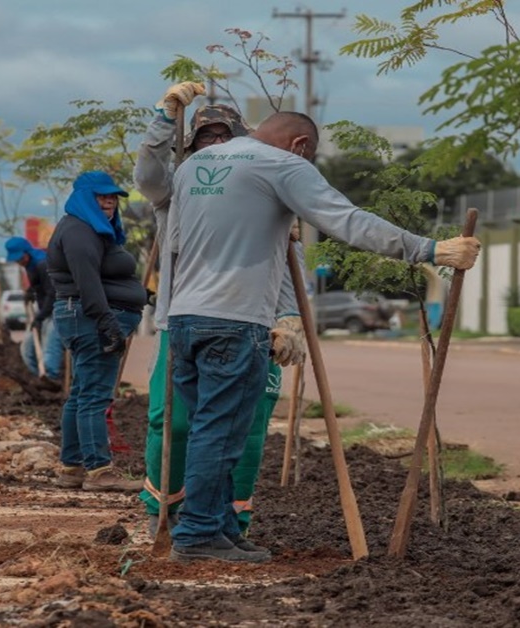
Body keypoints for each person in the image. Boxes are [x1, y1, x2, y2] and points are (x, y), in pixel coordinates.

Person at [165, 111, 480, 563]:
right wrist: (429, 249)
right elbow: (346, 220)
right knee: (221, 432)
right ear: (300, 145)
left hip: (185, 317)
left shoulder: (194, 165)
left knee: (206, 429)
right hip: (234, 320)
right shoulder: (284, 165)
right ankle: (196, 536)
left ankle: (218, 527)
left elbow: (175, 239)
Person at [134, 83, 305, 536]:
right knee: (170, 421)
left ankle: (231, 522)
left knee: (246, 428)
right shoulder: (177, 187)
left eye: (223, 136)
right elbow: (148, 177)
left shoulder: (266, 183)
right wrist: (163, 119)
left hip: (255, 325)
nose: (215, 145)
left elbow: (285, 258)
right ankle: (164, 515)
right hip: (183, 321)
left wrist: (289, 318)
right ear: (191, 148)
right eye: (206, 138)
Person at [46, 171, 145, 491]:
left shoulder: (89, 230)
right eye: (102, 195)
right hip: (89, 319)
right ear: (85, 198)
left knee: (81, 393)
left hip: (87, 317)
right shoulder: (78, 231)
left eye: (113, 196)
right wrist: (108, 324)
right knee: (94, 395)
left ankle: (72, 467)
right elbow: (87, 283)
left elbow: (100, 278)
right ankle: (99, 470)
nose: (110, 200)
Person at [4, 236, 64, 391]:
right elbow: (40, 285)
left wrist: (40, 317)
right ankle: (43, 381)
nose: (19, 262)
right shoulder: (29, 264)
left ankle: (51, 375)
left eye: (20, 258)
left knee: (50, 342)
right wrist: (31, 291)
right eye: (16, 260)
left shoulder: (43, 263)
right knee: (27, 349)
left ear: (27, 252)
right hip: (45, 309)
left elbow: (53, 293)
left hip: (59, 308)